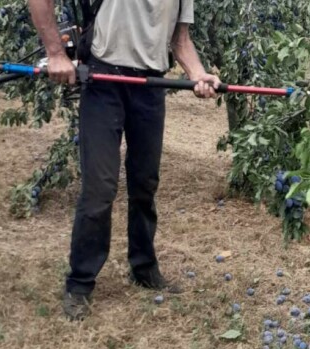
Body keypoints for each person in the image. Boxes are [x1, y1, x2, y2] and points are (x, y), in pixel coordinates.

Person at [27, 0, 221, 321]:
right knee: (100, 188)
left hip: (150, 86)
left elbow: (180, 40)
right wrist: (57, 55)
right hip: (103, 82)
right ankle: (80, 283)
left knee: (145, 181)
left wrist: (198, 74)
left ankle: (143, 267)